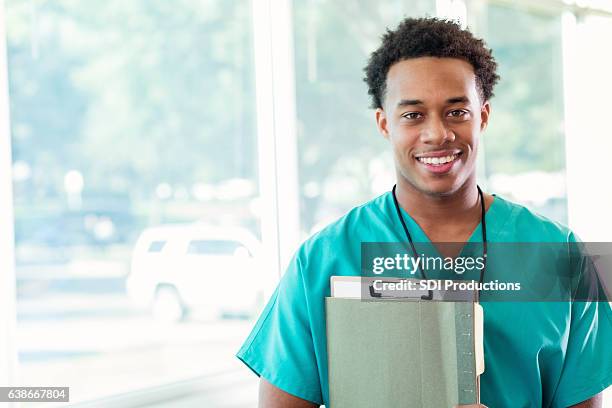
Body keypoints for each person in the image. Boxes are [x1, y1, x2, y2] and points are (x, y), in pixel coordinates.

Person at [236, 17, 611, 407]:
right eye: (413, 115)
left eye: (457, 112)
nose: (437, 134)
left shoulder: (564, 255)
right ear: (384, 124)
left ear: (483, 115)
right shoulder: (321, 261)